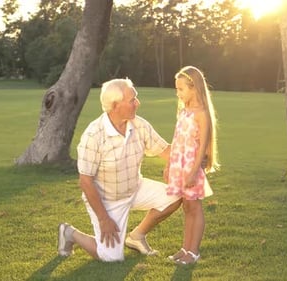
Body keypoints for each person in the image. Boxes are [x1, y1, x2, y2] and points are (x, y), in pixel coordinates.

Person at [57, 78, 181, 262]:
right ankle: (69, 233)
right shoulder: (94, 135)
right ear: (115, 105)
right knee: (110, 257)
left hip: (135, 188)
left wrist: (197, 154)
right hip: (107, 201)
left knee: (175, 196)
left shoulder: (140, 125)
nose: (137, 103)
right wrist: (104, 219)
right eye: (132, 100)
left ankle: (136, 236)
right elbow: (85, 182)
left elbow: (167, 151)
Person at [165, 66, 219, 265]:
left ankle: (193, 251)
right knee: (187, 207)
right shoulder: (184, 111)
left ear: (194, 88)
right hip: (179, 166)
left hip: (191, 168)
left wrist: (194, 172)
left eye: (181, 89)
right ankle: (185, 248)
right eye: (177, 89)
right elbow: (176, 140)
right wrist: (169, 165)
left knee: (195, 208)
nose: (177, 93)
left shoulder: (201, 114)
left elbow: (203, 145)